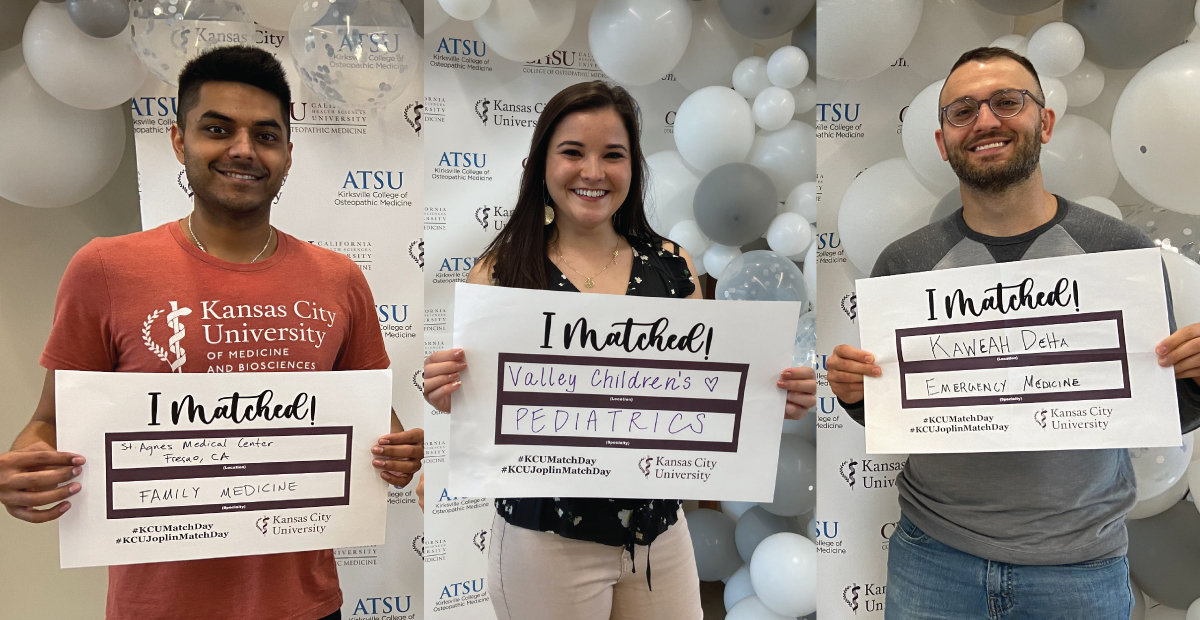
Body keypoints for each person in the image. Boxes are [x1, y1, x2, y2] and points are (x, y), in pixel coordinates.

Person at [0, 46, 423, 620]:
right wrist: (29, 465)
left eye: (266, 135)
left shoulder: (339, 279)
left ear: (289, 154)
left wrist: (400, 456)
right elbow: (49, 421)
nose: (243, 150)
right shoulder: (104, 269)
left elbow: (378, 428)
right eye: (218, 129)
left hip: (304, 606)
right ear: (179, 140)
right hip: (158, 608)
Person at [419, 80, 817, 620]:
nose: (593, 172)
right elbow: (484, 401)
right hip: (545, 539)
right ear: (541, 163)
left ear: (633, 167)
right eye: (572, 152)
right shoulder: (504, 272)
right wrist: (452, 395)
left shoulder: (673, 268)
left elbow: (702, 388)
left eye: (613, 155)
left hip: (659, 534)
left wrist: (771, 400)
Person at [828, 46, 1200, 620]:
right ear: (943, 140)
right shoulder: (906, 263)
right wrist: (855, 393)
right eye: (963, 111)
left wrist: (1198, 379)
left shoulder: (1118, 252)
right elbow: (895, 408)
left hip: (1081, 568)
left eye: (1007, 101)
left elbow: (1159, 406)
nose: (985, 121)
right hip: (933, 561)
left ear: (1044, 121)